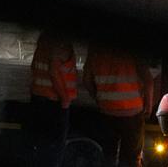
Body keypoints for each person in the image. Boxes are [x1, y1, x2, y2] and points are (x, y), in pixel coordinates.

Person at [83, 45, 151, 167]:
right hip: (132, 113)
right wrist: (149, 105)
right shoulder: (132, 46)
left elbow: (87, 80)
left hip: (107, 111)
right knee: (131, 158)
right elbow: (148, 80)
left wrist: (100, 98)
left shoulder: (96, 48)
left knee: (108, 154)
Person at [27, 30, 79, 166]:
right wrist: (65, 99)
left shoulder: (43, 41)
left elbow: (33, 67)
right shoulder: (61, 43)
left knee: (38, 145)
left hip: (37, 98)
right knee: (55, 148)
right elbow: (54, 71)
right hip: (55, 102)